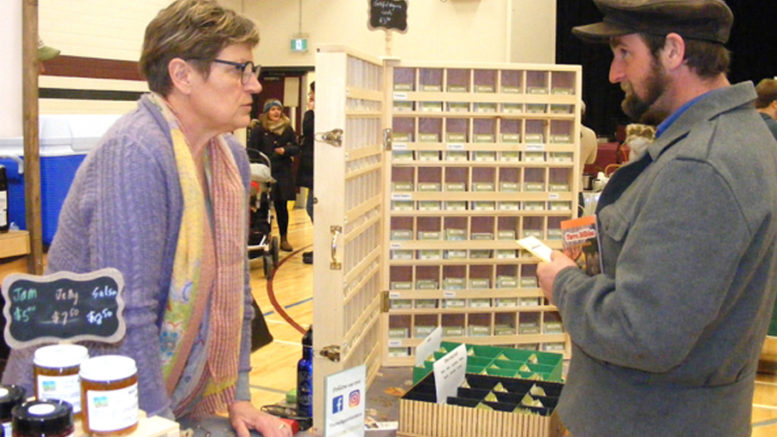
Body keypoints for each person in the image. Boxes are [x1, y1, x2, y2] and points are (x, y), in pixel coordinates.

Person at [2, 2, 292, 436]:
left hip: (167, 398)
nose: (254, 85)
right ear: (182, 75)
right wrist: (160, 427)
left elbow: (237, 290)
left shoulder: (227, 157)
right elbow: (128, 317)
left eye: (254, 71)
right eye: (239, 70)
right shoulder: (135, 152)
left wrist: (240, 397)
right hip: (77, 407)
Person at [536, 1, 777, 435]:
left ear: (673, 50)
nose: (614, 73)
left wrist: (564, 284)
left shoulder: (701, 165)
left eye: (624, 52)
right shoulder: (737, 137)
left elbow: (643, 333)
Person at [248, 99, 300, 252]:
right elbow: (252, 150)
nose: (276, 112)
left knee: (282, 206)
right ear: (267, 112)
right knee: (261, 205)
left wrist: (286, 150)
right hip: (264, 171)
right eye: (273, 109)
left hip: (282, 171)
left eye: (278, 109)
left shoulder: (287, 129)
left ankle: (284, 238)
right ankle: (262, 235)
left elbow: (296, 148)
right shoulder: (259, 129)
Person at [298, 81, 315, 264]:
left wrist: (310, 111)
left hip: (320, 168)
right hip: (313, 169)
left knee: (313, 207)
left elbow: (309, 131)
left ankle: (323, 247)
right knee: (312, 207)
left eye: (312, 93)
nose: (310, 96)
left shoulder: (318, 113)